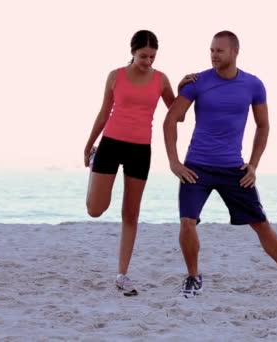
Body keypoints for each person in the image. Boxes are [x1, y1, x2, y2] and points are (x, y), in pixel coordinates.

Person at [163, 30, 277, 298]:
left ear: (235, 52)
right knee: (187, 222)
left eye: (219, 50)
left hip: (234, 169)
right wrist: (174, 162)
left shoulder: (253, 85)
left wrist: (253, 165)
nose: (213, 55)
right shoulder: (197, 82)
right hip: (197, 166)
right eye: (211, 50)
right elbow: (172, 119)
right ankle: (193, 277)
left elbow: (263, 126)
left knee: (261, 224)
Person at [84, 30, 194, 296]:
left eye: (152, 56)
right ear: (132, 52)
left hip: (140, 150)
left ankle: (122, 274)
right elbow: (103, 113)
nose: (148, 61)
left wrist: (182, 88)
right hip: (110, 144)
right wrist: (89, 145)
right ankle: (96, 158)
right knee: (95, 210)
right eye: (143, 56)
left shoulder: (160, 79)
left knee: (130, 214)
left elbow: (177, 114)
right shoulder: (115, 76)